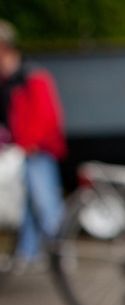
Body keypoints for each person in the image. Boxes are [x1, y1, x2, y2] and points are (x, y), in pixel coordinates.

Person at [0, 20, 65, 272]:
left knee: (46, 202)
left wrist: (32, 143)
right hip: (17, 153)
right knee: (23, 205)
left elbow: (47, 116)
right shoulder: (6, 82)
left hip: (38, 151)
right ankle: (29, 252)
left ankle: (60, 252)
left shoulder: (32, 76)